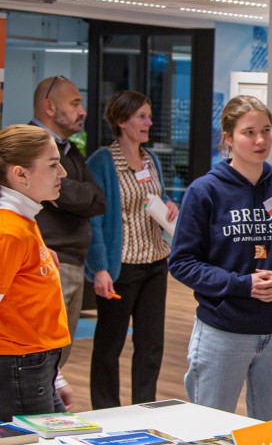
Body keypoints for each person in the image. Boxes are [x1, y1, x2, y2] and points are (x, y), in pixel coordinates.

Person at [169, 95, 272, 421]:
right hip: (223, 332)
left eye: (266, 130)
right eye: (249, 132)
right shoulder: (204, 191)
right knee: (208, 431)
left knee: (271, 432)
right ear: (228, 138)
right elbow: (182, 262)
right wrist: (241, 285)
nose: (260, 140)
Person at [85, 90, 179, 409]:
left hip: (155, 262)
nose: (149, 122)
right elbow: (94, 220)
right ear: (122, 121)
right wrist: (100, 267)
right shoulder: (101, 162)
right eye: (142, 117)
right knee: (109, 345)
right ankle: (106, 410)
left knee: (151, 344)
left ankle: (144, 407)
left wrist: (169, 204)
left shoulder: (150, 159)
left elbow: (155, 197)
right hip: (120, 266)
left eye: (149, 116)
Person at [31, 76, 106, 411]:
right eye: (75, 103)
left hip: (74, 262)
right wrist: (75, 195)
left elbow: (97, 200)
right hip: (46, 263)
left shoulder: (71, 150)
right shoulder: (28, 146)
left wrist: (68, 194)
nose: (83, 111)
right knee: (40, 354)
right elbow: (75, 195)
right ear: (49, 106)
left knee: (59, 356)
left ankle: (48, 414)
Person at [0, 124, 69, 421]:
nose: (62, 173)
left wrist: (57, 377)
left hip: (35, 365)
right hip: (18, 366)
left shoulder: (24, 221)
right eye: (52, 165)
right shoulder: (9, 231)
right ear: (21, 174)